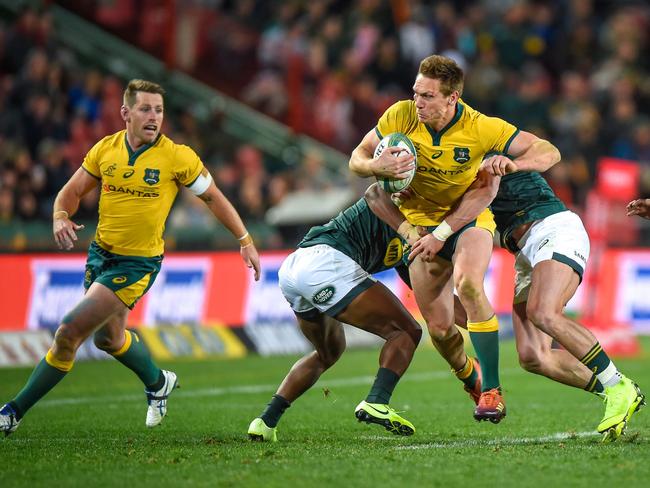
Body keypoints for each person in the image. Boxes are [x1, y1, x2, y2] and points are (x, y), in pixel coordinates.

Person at [0, 79, 261, 436]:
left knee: (67, 333)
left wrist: (244, 239)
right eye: (145, 109)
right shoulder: (105, 150)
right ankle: (158, 382)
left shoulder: (177, 156)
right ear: (126, 113)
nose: (154, 116)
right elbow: (70, 192)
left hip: (137, 264)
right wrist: (60, 215)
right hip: (100, 256)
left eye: (159, 110)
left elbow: (213, 197)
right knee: (108, 339)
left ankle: (12, 412)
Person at [370, 159, 646, 443]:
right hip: (524, 251)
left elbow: (548, 152)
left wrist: (516, 161)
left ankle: (617, 385)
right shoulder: (438, 188)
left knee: (543, 313)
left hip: (553, 228)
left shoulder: (481, 149)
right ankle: (620, 390)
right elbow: (377, 195)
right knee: (533, 356)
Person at [349, 54, 561, 423]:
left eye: (428, 96)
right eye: (417, 93)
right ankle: (472, 377)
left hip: (466, 220)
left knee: (469, 285)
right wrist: (374, 166)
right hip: (419, 226)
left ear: (453, 98)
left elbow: (548, 151)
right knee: (442, 329)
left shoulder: (480, 127)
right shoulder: (400, 115)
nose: (418, 102)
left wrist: (514, 164)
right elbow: (357, 157)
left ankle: (493, 391)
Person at [247, 194, 424, 442]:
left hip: (294, 267)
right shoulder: (393, 203)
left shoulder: (408, 240)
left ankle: (265, 421)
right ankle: (376, 401)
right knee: (407, 331)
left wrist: (477, 319)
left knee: (328, 352)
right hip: (325, 262)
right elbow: (375, 191)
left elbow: (431, 295)